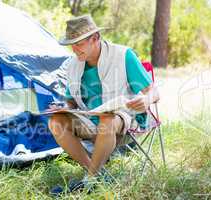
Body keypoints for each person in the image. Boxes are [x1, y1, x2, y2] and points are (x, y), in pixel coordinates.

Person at [48, 15, 159, 193]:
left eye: (79, 43)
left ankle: (89, 182)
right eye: (71, 44)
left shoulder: (124, 55)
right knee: (56, 121)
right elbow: (70, 100)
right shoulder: (73, 65)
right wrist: (64, 108)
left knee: (106, 119)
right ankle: (95, 173)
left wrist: (145, 100)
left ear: (95, 38)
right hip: (90, 120)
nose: (74, 49)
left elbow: (154, 92)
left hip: (124, 121)